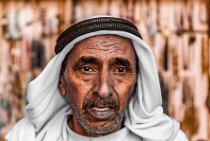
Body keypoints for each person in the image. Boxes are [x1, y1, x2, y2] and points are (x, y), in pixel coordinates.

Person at [6, 16, 188, 141]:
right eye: (87, 69)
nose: (103, 90)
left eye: (120, 70)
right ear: (61, 82)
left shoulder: (169, 138)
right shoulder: (25, 136)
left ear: (136, 84)